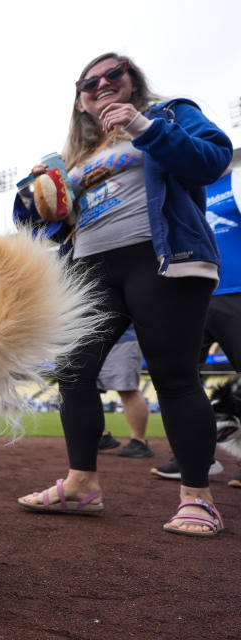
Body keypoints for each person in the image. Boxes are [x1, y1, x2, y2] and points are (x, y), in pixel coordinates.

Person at [14, 53, 233, 536]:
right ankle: (80, 484)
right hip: (91, 267)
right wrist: (34, 194)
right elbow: (37, 226)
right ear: (81, 101)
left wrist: (141, 126)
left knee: (174, 377)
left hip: (160, 256)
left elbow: (213, 157)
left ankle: (198, 497)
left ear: (133, 80)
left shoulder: (169, 113)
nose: (102, 85)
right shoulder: (76, 157)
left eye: (114, 74)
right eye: (89, 83)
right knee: (73, 371)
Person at [151, 168, 241, 483]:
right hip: (192, 295)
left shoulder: (234, 180)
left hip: (235, 292)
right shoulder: (179, 185)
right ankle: (195, 457)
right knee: (179, 377)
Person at [95, 325, 153, 458]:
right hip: (93, 339)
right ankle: (102, 437)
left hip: (123, 338)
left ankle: (139, 442)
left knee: (127, 389)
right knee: (87, 388)